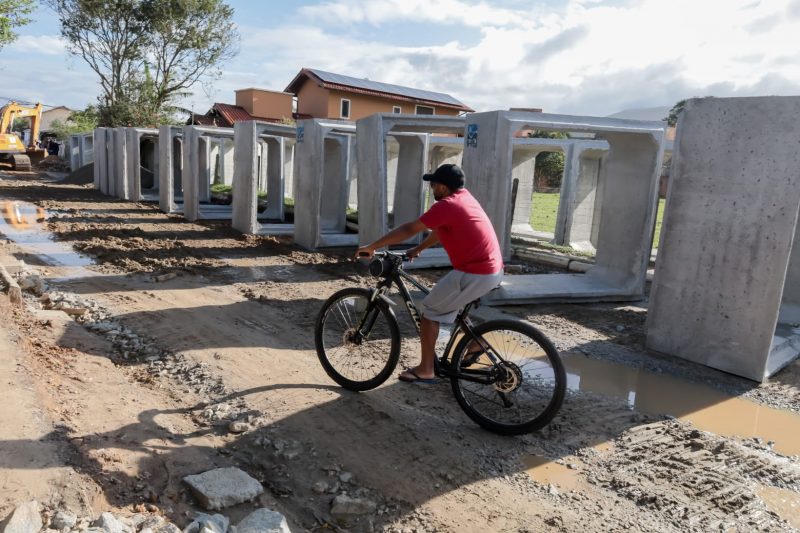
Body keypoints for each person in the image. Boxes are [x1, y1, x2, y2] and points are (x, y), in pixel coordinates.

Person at [356, 163, 504, 383]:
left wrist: (372, 246)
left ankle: (426, 369)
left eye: (433, 184)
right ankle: (476, 342)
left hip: (475, 272)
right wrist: (418, 249)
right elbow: (440, 229)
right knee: (449, 302)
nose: (432, 188)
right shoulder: (465, 198)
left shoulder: (447, 205)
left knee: (429, 312)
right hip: (492, 269)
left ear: (442, 187)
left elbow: (409, 229)